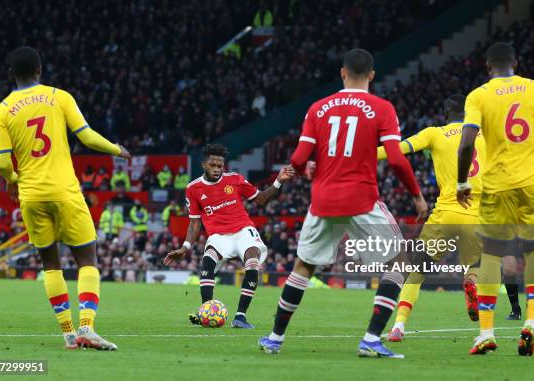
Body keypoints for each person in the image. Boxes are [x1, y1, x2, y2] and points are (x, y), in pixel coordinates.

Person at [258, 48, 427, 358]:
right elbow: (397, 160)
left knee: (304, 266)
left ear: (342, 73)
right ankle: (372, 339)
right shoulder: (382, 108)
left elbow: (297, 159)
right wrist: (416, 195)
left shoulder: (318, 108)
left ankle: (274, 338)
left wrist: (312, 164)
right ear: (372, 75)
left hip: (323, 200)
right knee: (400, 262)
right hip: (362, 199)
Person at [0, 46, 130, 350]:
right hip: (64, 190)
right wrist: (116, 149)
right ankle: (87, 328)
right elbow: (86, 136)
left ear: (11, 74)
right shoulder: (59, 97)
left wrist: (13, 180)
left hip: (31, 194)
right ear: (40, 70)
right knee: (87, 260)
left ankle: (68, 332)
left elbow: (2, 163)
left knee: (50, 265)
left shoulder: (1, 110)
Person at [457, 42, 534, 356]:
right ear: (515, 62)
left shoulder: (479, 95)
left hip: (497, 186)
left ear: (488, 67)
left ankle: (486, 333)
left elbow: (467, 142)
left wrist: (461, 181)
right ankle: (532, 323)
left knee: (492, 255)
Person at [376, 95, 484, 342]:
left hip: (446, 212)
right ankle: (471, 284)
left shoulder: (434, 133)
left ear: (446, 113)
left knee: (417, 272)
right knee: (473, 269)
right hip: (476, 213)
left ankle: (398, 326)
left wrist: (362, 155)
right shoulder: (483, 134)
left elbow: (398, 149)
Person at [164, 144, 294, 329]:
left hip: (243, 231)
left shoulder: (235, 179)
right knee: (207, 262)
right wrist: (185, 247)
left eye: (220, 165)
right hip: (218, 235)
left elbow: (262, 199)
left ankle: (240, 317)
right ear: (203, 164)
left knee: (252, 261)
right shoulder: (193, 189)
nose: (217, 169)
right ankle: (205, 312)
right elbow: (194, 222)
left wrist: (279, 181)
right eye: (212, 165)